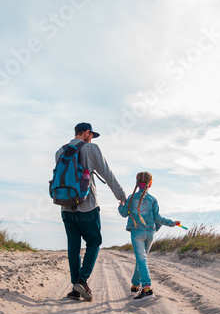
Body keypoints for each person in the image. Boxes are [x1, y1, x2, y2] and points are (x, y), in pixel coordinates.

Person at [56, 122, 127, 301]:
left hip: (65, 206)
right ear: (87, 132)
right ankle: (82, 280)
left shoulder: (60, 151)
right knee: (94, 242)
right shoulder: (92, 149)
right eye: (91, 135)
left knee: (73, 247)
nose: (92, 138)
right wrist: (122, 196)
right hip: (87, 206)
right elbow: (107, 174)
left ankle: (75, 288)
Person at [118, 171, 181, 301]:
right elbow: (158, 218)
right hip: (150, 233)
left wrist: (120, 206)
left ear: (137, 182)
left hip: (137, 233)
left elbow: (124, 214)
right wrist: (172, 223)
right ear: (150, 184)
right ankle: (135, 286)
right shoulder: (153, 199)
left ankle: (147, 289)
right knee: (141, 260)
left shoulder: (131, 198)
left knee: (142, 260)